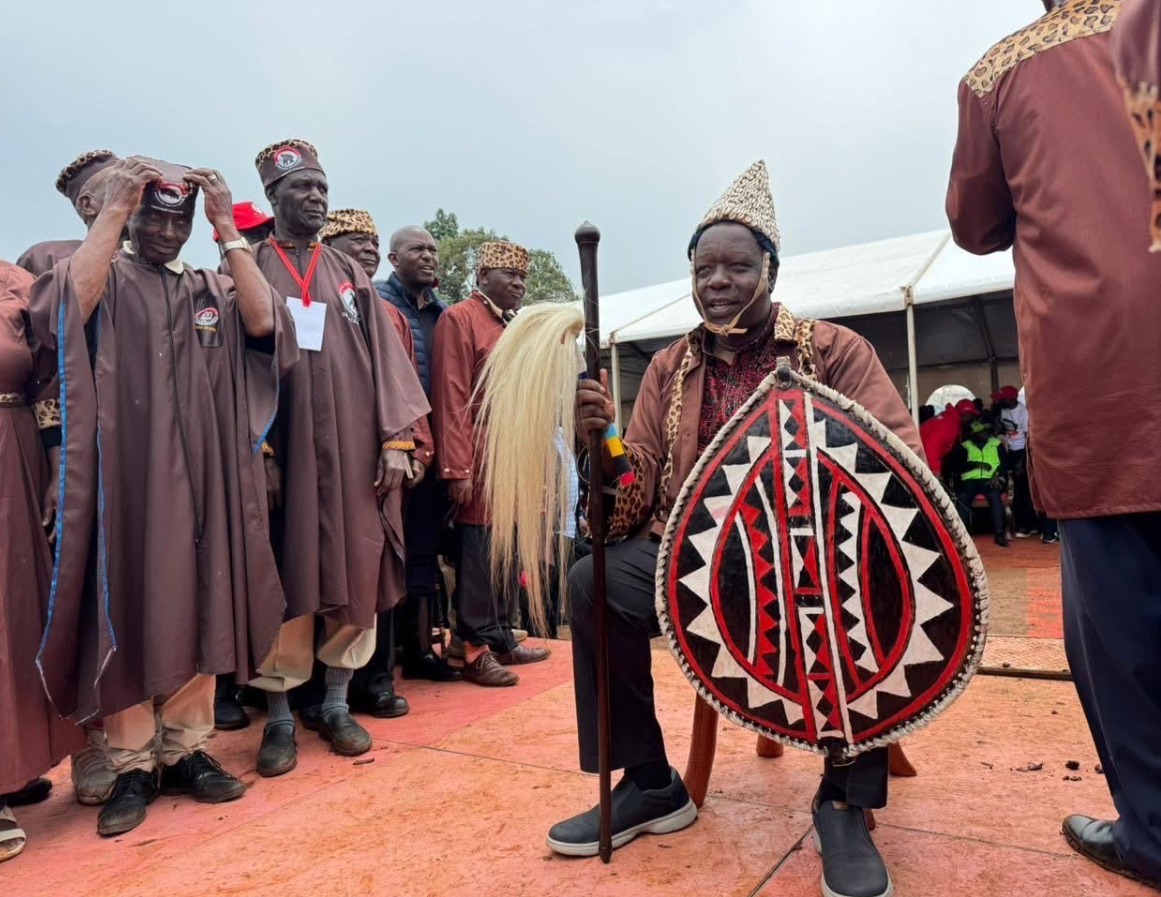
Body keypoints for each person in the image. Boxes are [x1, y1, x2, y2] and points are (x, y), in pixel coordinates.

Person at [552, 161, 921, 897]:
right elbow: (635, 492)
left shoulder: (832, 349)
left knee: (876, 579)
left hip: (813, 558)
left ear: (770, 271)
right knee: (593, 578)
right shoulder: (667, 366)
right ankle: (651, 781)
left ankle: (843, 800)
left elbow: (897, 456)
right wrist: (601, 446)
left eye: (735, 265)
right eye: (702, 267)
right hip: (687, 561)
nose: (716, 280)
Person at [948, 0, 1161, 887]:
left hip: (1100, 381)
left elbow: (973, 221)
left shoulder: (998, 72)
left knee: (1117, 629)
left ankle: (1152, 832)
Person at [30, 157, 293, 837]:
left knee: (202, 597)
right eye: (156, 215)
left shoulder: (209, 283)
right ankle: (131, 763)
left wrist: (226, 224)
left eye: (180, 219)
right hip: (124, 476)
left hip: (207, 477)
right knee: (128, 602)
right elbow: (60, 316)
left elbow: (265, 323)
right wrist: (114, 211)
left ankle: (187, 748)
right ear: (133, 215)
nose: (167, 231)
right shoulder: (101, 275)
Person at [246, 140, 429, 777]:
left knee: (355, 565)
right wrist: (259, 448)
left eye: (322, 188)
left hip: (352, 451)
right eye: (303, 189)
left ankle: (334, 703)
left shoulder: (350, 276)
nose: (317, 199)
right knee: (283, 572)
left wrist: (396, 441)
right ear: (273, 198)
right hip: (284, 453)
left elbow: (388, 363)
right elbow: (237, 368)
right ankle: (278, 719)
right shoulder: (250, 268)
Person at [315, 207, 436, 718]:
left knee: (381, 569)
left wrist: (412, 446)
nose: (364, 248)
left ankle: (374, 679)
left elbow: (404, 386)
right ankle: (306, 695)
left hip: (378, 460)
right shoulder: (312, 299)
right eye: (351, 240)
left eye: (369, 240)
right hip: (320, 457)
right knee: (318, 571)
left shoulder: (386, 313)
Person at [431, 241, 551, 687]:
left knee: (508, 549)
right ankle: (473, 647)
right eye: (509, 276)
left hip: (514, 456)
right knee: (479, 553)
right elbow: (451, 396)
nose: (519, 285)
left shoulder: (513, 327)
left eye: (522, 278)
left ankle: (501, 636)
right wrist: (458, 468)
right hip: (479, 455)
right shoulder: (459, 319)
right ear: (483, 278)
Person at [0, 260, 86, 862]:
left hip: (17, 454)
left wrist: (56, 466)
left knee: (16, 610)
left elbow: (49, 375)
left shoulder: (14, 280)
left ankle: (14, 761)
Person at [376, 225, 461, 682]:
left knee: (425, 552)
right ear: (393, 259)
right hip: (393, 449)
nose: (429, 256)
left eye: (433, 249)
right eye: (417, 249)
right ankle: (381, 660)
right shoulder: (378, 305)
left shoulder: (443, 314)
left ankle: (420, 649)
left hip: (433, 451)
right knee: (390, 552)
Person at [17, 149, 120, 278]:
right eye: (122, 188)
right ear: (87, 204)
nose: (138, 196)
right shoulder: (46, 258)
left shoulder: (149, 262)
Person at [956, 422, 1009, 547]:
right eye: (979, 433)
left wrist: (998, 474)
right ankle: (961, 537)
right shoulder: (965, 446)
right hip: (969, 480)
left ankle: (999, 535)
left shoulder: (996, 444)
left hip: (990, 479)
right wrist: (977, 464)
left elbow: (1005, 464)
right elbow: (957, 466)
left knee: (995, 497)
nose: (983, 435)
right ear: (972, 434)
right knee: (962, 498)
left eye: (984, 432)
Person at [994, 385, 1036, 536]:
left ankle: (1027, 526)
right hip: (1010, 452)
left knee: (1023, 490)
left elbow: (1028, 438)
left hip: (1022, 453)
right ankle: (1026, 525)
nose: (999, 402)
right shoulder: (1004, 410)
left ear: (1011, 398)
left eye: (1001, 399)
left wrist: (1022, 461)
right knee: (1014, 489)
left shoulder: (1023, 412)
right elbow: (1005, 430)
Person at [919, 402, 962, 478]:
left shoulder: (948, 418)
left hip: (922, 456)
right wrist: (936, 470)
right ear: (966, 415)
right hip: (921, 458)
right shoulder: (948, 424)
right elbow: (932, 447)